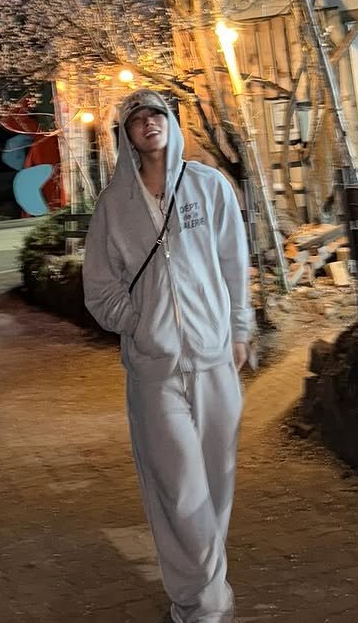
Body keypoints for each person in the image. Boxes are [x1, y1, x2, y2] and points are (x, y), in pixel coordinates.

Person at [83, 89, 253, 623]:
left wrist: (239, 328)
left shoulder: (208, 185)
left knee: (217, 482)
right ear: (126, 136)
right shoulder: (113, 206)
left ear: (171, 123)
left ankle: (197, 594)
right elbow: (99, 288)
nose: (148, 123)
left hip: (214, 357)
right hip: (155, 370)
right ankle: (205, 603)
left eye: (156, 113)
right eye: (136, 119)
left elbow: (234, 262)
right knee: (179, 491)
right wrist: (139, 325)